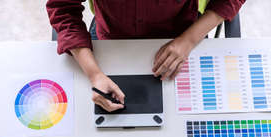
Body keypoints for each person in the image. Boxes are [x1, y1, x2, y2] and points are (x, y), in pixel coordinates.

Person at [46, 0, 245, 112]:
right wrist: (94, 74)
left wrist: (189, 40)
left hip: (183, 40)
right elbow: (62, 8)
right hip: (110, 45)